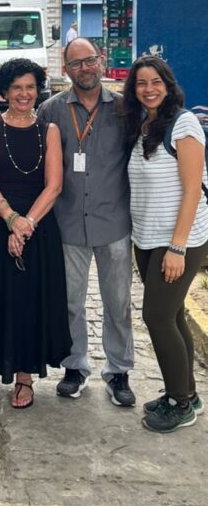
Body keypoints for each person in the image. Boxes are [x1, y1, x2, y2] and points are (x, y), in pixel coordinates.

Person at [0, 58, 69, 409]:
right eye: (16, 88)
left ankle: (24, 376)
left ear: (38, 91)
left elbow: (54, 186)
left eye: (30, 87)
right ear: (4, 92)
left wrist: (27, 224)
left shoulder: (48, 130)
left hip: (38, 224)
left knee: (27, 301)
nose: (23, 94)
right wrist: (10, 219)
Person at [38, 38, 135, 406]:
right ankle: (74, 366)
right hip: (68, 222)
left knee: (118, 301)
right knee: (70, 302)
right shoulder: (51, 111)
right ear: (66, 69)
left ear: (102, 60)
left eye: (90, 60)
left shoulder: (127, 110)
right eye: (76, 63)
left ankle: (119, 370)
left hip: (114, 221)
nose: (85, 68)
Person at [120, 55, 208, 434]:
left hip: (178, 241)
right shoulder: (143, 124)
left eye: (156, 82)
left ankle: (180, 403)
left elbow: (192, 190)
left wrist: (177, 247)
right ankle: (186, 391)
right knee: (170, 316)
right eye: (141, 83)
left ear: (168, 85)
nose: (149, 89)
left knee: (155, 316)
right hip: (148, 238)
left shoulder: (183, 123)